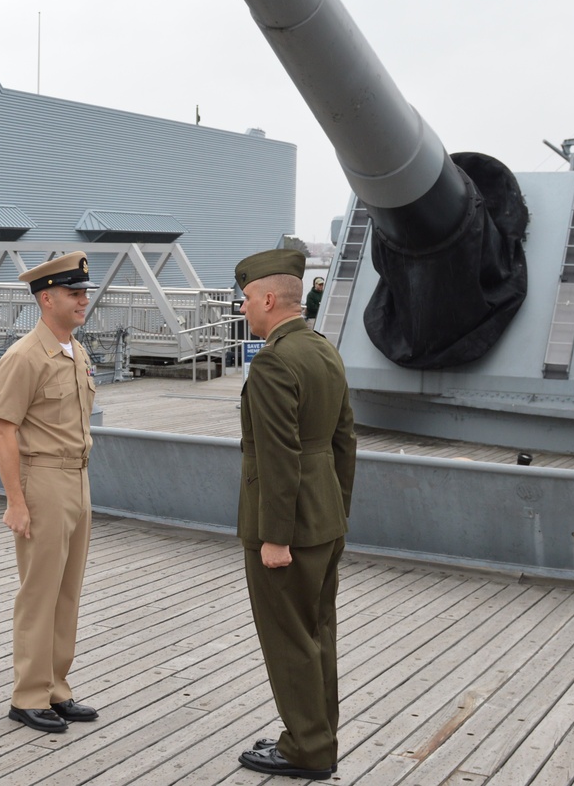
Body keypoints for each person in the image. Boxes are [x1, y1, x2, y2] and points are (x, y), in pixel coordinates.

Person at [233, 249, 357, 780]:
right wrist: (337, 511)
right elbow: (344, 441)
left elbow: (278, 455)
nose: (242, 309)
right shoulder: (323, 351)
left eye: (243, 299)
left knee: (289, 640)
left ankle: (305, 750)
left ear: (266, 298)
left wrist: (275, 537)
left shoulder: (274, 361)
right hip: (324, 518)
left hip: (285, 528)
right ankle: (314, 735)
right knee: (317, 633)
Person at [0, 251, 101, 733]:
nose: (83, 301)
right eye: (74, 294)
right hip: (43, 482)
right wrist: (16, 501)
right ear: (46, 298)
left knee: (67, 592)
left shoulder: (75, 351)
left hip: (78, 479)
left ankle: (57, 687)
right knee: (39, 593)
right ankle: (28, 694)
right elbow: (3, 431)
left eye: (84, 293)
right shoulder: (23, 357)